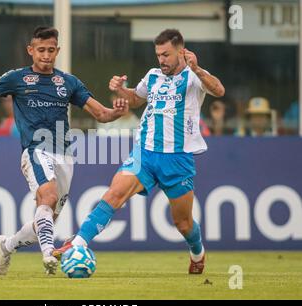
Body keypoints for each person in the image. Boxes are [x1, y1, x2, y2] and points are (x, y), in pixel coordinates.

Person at [0, 26, 129, 276]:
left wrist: (117, 113)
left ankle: (7, 245)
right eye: (41, 50)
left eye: (51, 50)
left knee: (44, 222)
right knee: (47, 197)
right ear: (31, 50)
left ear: (57, 50)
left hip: (65, 155)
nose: (46, 55)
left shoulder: (68, 82)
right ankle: (49, 254)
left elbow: (101, 114)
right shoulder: (17, 78)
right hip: (36, 150)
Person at [53, 29, 225, 275]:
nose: (161, 60)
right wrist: (122, 90)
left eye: (166, 54)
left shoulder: (195, 76)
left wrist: (197, 69)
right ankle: (78, 242)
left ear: (181, 51)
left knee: (183, 222)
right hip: (144, 152)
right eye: (158, 55)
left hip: (177, 159)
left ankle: (197, 253)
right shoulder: (153, 76)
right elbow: (136, 100)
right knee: (115, 193)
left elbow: (219, 90)